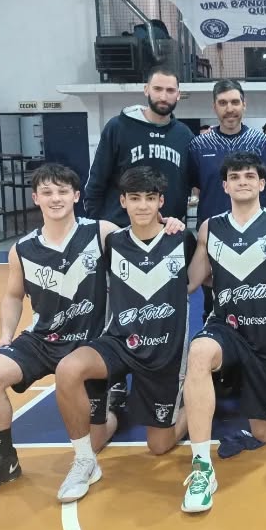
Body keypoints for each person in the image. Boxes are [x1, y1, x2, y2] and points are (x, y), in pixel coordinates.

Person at [0, 164, 175, 499]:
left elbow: (143, 235)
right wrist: (5, 334)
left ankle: (114, 405)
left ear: (76, 195)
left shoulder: (101, 233)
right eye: (47, 192)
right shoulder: (22, 249)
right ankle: (4, 461)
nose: (55, 198)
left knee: (96, 437)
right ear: (36, 198)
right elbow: (13, 295)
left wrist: (169, 222)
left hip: (93, 343)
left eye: (63, 191)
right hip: (43, 340)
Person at [53, 166, 200, 503]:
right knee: (69, 369)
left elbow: (200, 278)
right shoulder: (113, 242)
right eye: (134, 198)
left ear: (161, 201)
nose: (142, 205)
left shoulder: (182, 239)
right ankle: (85, 459)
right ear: (123, 201)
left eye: (150, 198)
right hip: (119, 342)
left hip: (165, 351)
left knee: (159, 446)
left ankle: (196, 400)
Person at [179, 153, 266, 513]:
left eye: (249, 176)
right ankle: (202, 468)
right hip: (226, 329)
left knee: (263, 434)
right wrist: (168, 231)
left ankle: (192, 411)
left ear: (262, 183)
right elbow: (191, 282)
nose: (242, 182)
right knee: (199, 353)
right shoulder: (210, 228)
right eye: (235, 177)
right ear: (224, 186)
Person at [186, 80, 266, 317]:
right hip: (215, 238)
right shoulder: (198, 146)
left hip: (258, 238)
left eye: (234, 102)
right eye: (223, 103)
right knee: (213, 308)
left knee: (261, 306)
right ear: (214, 107)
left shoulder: (263, 143)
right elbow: (191, 185)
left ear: (244, 104)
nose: (229, 108)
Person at [84, 66, 194, 225]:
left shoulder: (184, 135)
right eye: (157, 89)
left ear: (178, 95)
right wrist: (96, 223)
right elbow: (97, 179)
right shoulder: (118, 127)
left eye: (170, 90)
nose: (163, 96)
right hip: (120, 227)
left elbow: (188, 183)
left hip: (166, 228)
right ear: (146, 90)